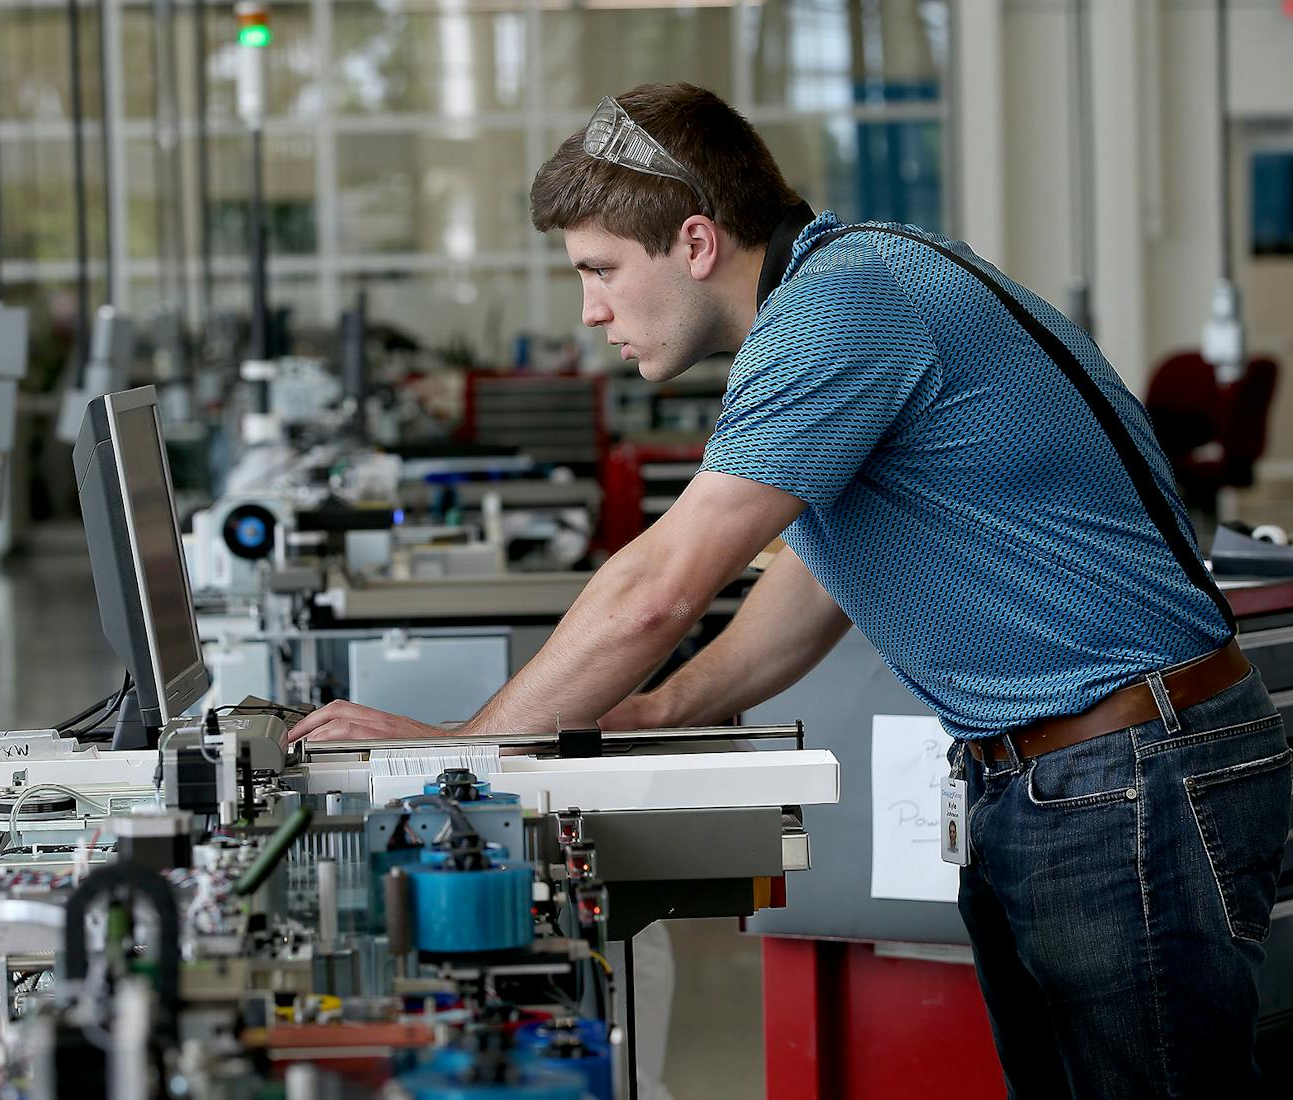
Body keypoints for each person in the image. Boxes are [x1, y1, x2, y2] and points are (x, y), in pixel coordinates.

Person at [289, 83, 1292, 1098]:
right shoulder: (845, 285)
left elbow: (654, 587)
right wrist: (654, 711)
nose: (588, 311)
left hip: (1123, 771)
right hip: (1064, 775)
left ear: (693, 241)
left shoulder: (837, 307)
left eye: (599, 271)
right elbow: (810, 586)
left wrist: (452, 760)